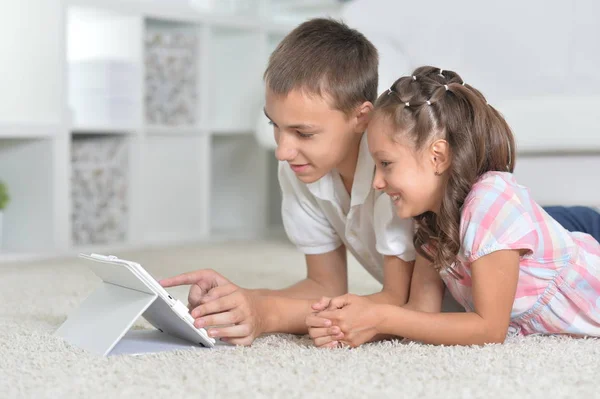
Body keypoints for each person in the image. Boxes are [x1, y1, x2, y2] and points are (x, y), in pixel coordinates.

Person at [160, 18, 418, 347]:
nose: (282, 150)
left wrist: (268, 314)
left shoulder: (394, 173)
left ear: (361, 118)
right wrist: (241, 300)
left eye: (303, 133)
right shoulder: (301, 167)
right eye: (275, 126)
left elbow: (404, 302)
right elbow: (326, 287)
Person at [308, 66, 600, 347]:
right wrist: (349, 321)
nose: (377, 183)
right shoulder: (432, 222)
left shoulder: (489, 201)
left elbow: (489, 328)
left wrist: (381, 317)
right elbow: (421, 313)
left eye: (386, 164)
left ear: (438, 156)